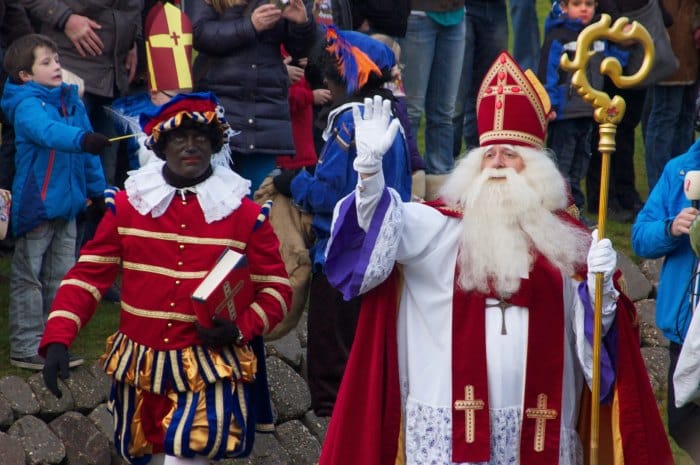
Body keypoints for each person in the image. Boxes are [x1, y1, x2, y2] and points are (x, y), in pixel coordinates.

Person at [318, 52, 673, 464]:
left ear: (538, 169)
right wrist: (369, 177)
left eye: (511, 154)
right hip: (447, 432)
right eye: (489, 154)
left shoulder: (570, 245)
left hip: (541, 428)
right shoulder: (436, 228)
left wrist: (603, 291)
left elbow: (598, 352)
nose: (498, 163)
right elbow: (375, 234)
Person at [39, 92, 293, 465]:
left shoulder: (243, 213)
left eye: (201, 138)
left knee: (186, 458)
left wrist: (239, 329)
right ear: (160, 146)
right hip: (139, 369)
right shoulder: (129, 206)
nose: (190, 147)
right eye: (179, 138)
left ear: (214, 144)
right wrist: (59, 338)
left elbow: (276, 290)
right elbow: (88, 276)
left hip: (209, 368)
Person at [274, 27, 413, 417]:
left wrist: (294, 181)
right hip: (382, 260)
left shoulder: (349, 122)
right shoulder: (390, 120)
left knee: (331, 375)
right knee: (368, 368)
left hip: (340, 263)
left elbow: (332, 195)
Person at [1, 33, 108, 370]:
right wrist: (83, 139)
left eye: (57, 60)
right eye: (46, 62)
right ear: (25, 75)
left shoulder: (72, 102)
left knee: (61, 276)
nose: (57, 66)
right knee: (28, 276)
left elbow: (89, 157)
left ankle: (53, 344)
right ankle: (24, 345)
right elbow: (48, 132)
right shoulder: (26, 106)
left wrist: (97, 191)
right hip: (38, 205)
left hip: (71, 205)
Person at [185, 0, 316, 192]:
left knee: (257, 203)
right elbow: (199, 34)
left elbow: (301, 50)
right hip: (218, 107)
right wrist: (251, 25)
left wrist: (301, 24)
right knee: (215, 199)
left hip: (266, 111)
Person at [20, 0, 143, 187]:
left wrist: (134, 39)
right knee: (64, 174)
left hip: (114, 80)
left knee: (104, 181)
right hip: (68, 73)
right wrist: (64, 17)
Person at [632, 138, 700, 463]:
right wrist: (671, 228)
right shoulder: (679, 171)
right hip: (685, 328)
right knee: (681, 420)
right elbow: (640, 238)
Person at [538, 0, 627, 220]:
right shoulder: (558, 37)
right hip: (565, 114)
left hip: (589, 112)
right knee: (562, 166)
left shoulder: (598, 36)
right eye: (577, 3)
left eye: (589, 3)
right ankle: (557, 211)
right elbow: (547, 74)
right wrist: (550, 105)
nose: (584, 8)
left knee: (581, 163)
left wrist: (626, 41)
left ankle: (575, 211)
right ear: (564, 7)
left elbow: (616, 63)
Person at [398, 0, 466, 175]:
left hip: (456, 13)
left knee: (444, 112)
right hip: (418, 14)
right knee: (411, 110)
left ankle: (440, 181)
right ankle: (405, 178)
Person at [643, 0, 699, 190]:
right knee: (666, 117)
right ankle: (662, 188)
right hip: (669, 45)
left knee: (686, 118)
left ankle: (684, 186)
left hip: (690, 46)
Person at [452, 0, 508, 155]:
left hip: (496, 8)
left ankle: (483, 159)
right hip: (458, 7)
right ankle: (445, 169)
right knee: (455, 98)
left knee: (491, 93)